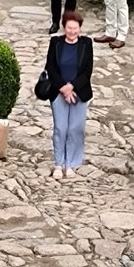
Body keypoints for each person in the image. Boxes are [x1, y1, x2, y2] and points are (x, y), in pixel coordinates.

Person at [45, 10, 93, 179]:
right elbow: (50, 68)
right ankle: (58, 163)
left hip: (79, 92)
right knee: (60, 128)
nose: (72, 32)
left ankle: (71, 164)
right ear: (64, 27)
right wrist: (63, 88)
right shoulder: (56, 43)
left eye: (75, 28)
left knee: (75, 129)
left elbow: (87, 71)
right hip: (59, 92)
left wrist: (72, 87)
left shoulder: (86, 44)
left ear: (80, 28)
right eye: (69, 28)